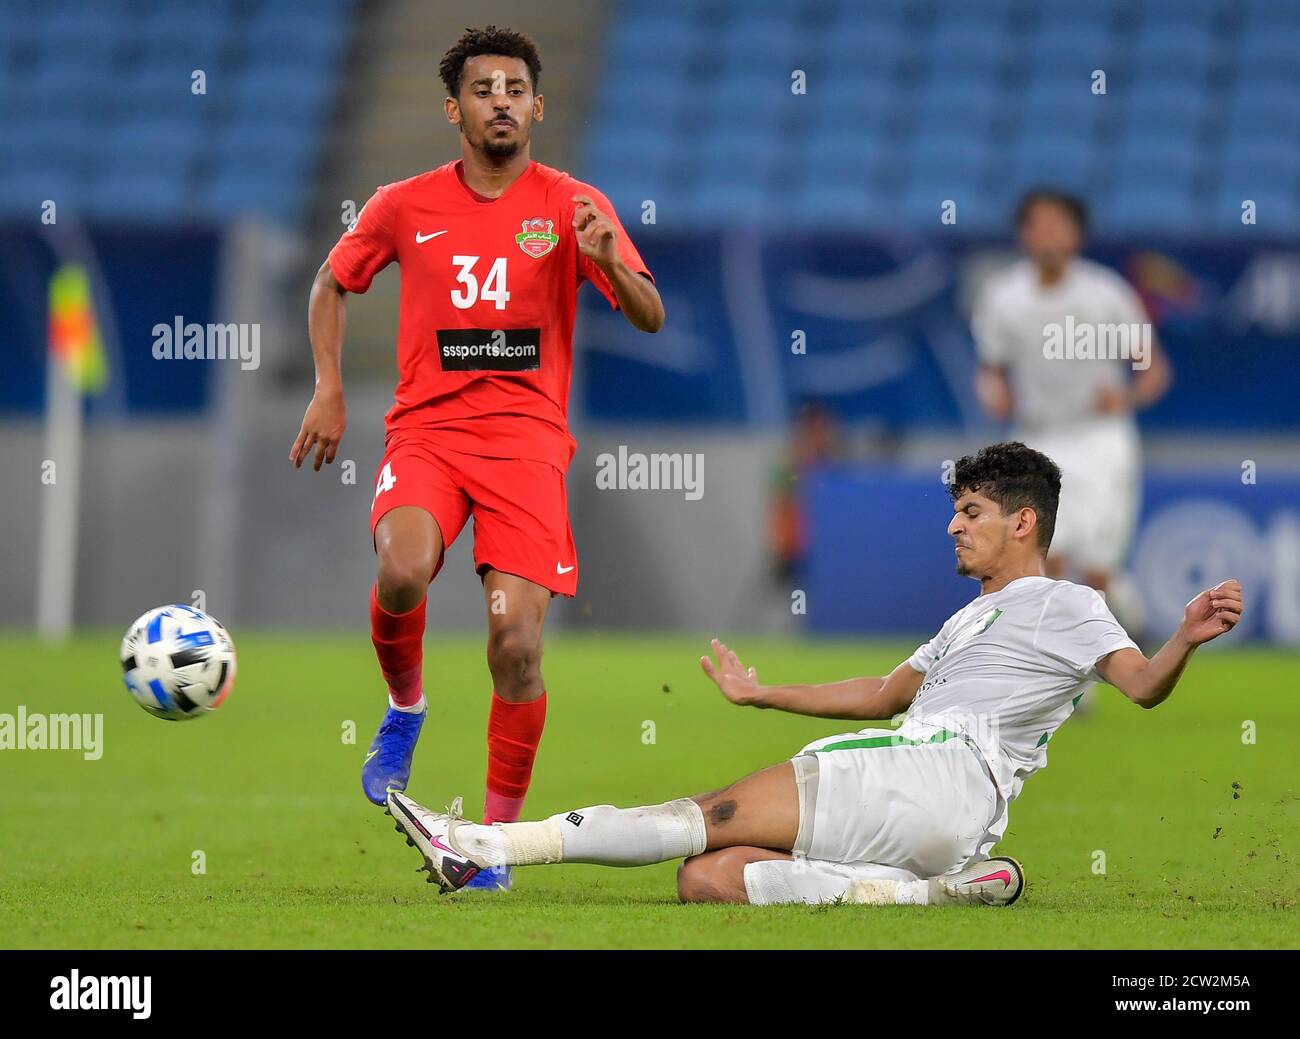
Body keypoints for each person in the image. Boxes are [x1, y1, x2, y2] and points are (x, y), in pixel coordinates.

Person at [385, 443, 1243, 905]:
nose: (953, 526)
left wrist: (1184, 640)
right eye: (953, 509)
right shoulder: (966, 619)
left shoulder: (1066, 602)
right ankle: (929, 895)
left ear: (1025, 522)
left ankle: (482, 846)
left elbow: (1137, 684)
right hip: (944, 812)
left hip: (935, 771)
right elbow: (878, 693)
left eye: (971, 511)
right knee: (709, 879)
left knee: (708, 814)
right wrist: (764, 693)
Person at [289, 26, 663, 892]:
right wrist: (329, 388)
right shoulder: (403, 203)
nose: (502, 99)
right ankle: (406, 710)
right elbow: (331, 281)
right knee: (404, 568)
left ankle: (492, 847)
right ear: (453, 107)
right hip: (428, 434)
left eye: (516, 87)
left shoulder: (572, 204)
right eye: (484, 87)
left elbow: (650, 314)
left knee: (515, 644)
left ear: (537, 104)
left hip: (527, 450)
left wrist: (610, 260)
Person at [972, 190, 1171, 625]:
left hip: (1099, 436)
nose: (1047, 235)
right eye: (1037, 224)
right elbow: (990, 368)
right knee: (1047, 552)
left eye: (1057, 224)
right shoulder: (1003, 298)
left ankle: (1121, 609)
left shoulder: (1106, 294)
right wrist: (993, 390)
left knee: (1097, 565)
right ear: (1023, 234)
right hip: (1037, 435)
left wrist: (1126, 397)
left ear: (1077, 234)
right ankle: (1071, 677)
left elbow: (1154, 370)